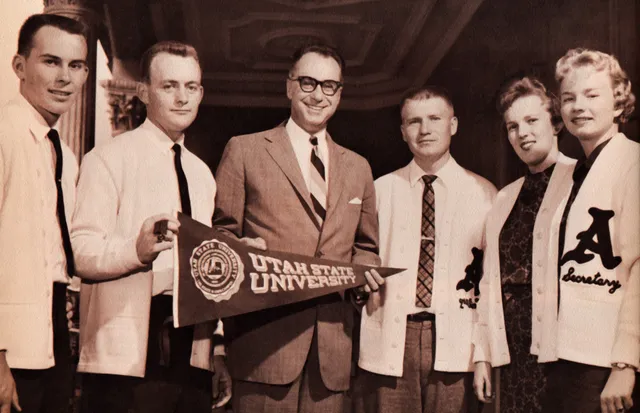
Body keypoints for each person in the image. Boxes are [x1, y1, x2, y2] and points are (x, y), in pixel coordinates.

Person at [212, 43, 383, 413]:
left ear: (340, 93)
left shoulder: (359, 168)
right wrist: (240, 252)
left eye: (329, 86)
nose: (318, 95)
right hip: (263, 350)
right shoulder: (244, 150)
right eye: (308, 82)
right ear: (288, 86)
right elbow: (219, 241)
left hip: (332, 357)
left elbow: (366, 246)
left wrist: (363, 273)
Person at [71, 41, 230, 413]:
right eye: (169, 86)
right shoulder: (107, 159)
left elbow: (207, 271)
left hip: (192, 354)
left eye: (191, 87)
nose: (182, 98)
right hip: (125, 358)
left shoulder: (202, 173)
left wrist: (217, 347)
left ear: (201, 93)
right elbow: (79, 249)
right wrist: (135, 252)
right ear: (143, 92)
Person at [354, 87, 497, 413]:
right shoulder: (380, 190)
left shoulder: (484, 194)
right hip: (390, 336)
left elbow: (489, 286)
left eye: (435, 119)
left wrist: (483, 354)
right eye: (414, 121)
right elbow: (360, 257)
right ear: (403, 131)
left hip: (456, 340)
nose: (425, 129)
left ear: (454, 124)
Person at [536, 48, 640, 413]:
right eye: (569, 97)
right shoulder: (570, 174)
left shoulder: (633, 163)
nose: (579, 105)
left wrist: (625, 365)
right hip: (566, 356)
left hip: (608, 363)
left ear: (619, 102)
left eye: (592, 95)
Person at [0, 13, 89, 413]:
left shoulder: (65, 155)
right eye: (51, 61)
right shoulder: (4, 134)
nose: (65, 78)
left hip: (50, 334)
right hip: (8, 346)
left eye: (76, 66)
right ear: (20, 66)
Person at [472, 77, 576, 413]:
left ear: (556, 123)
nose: (522, 133)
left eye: (532, 121)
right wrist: (483, 357)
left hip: (564, 348)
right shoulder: (504, 197)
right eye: (513, 126)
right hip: (512, 349)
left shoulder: (581, 180)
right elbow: (488, 283)